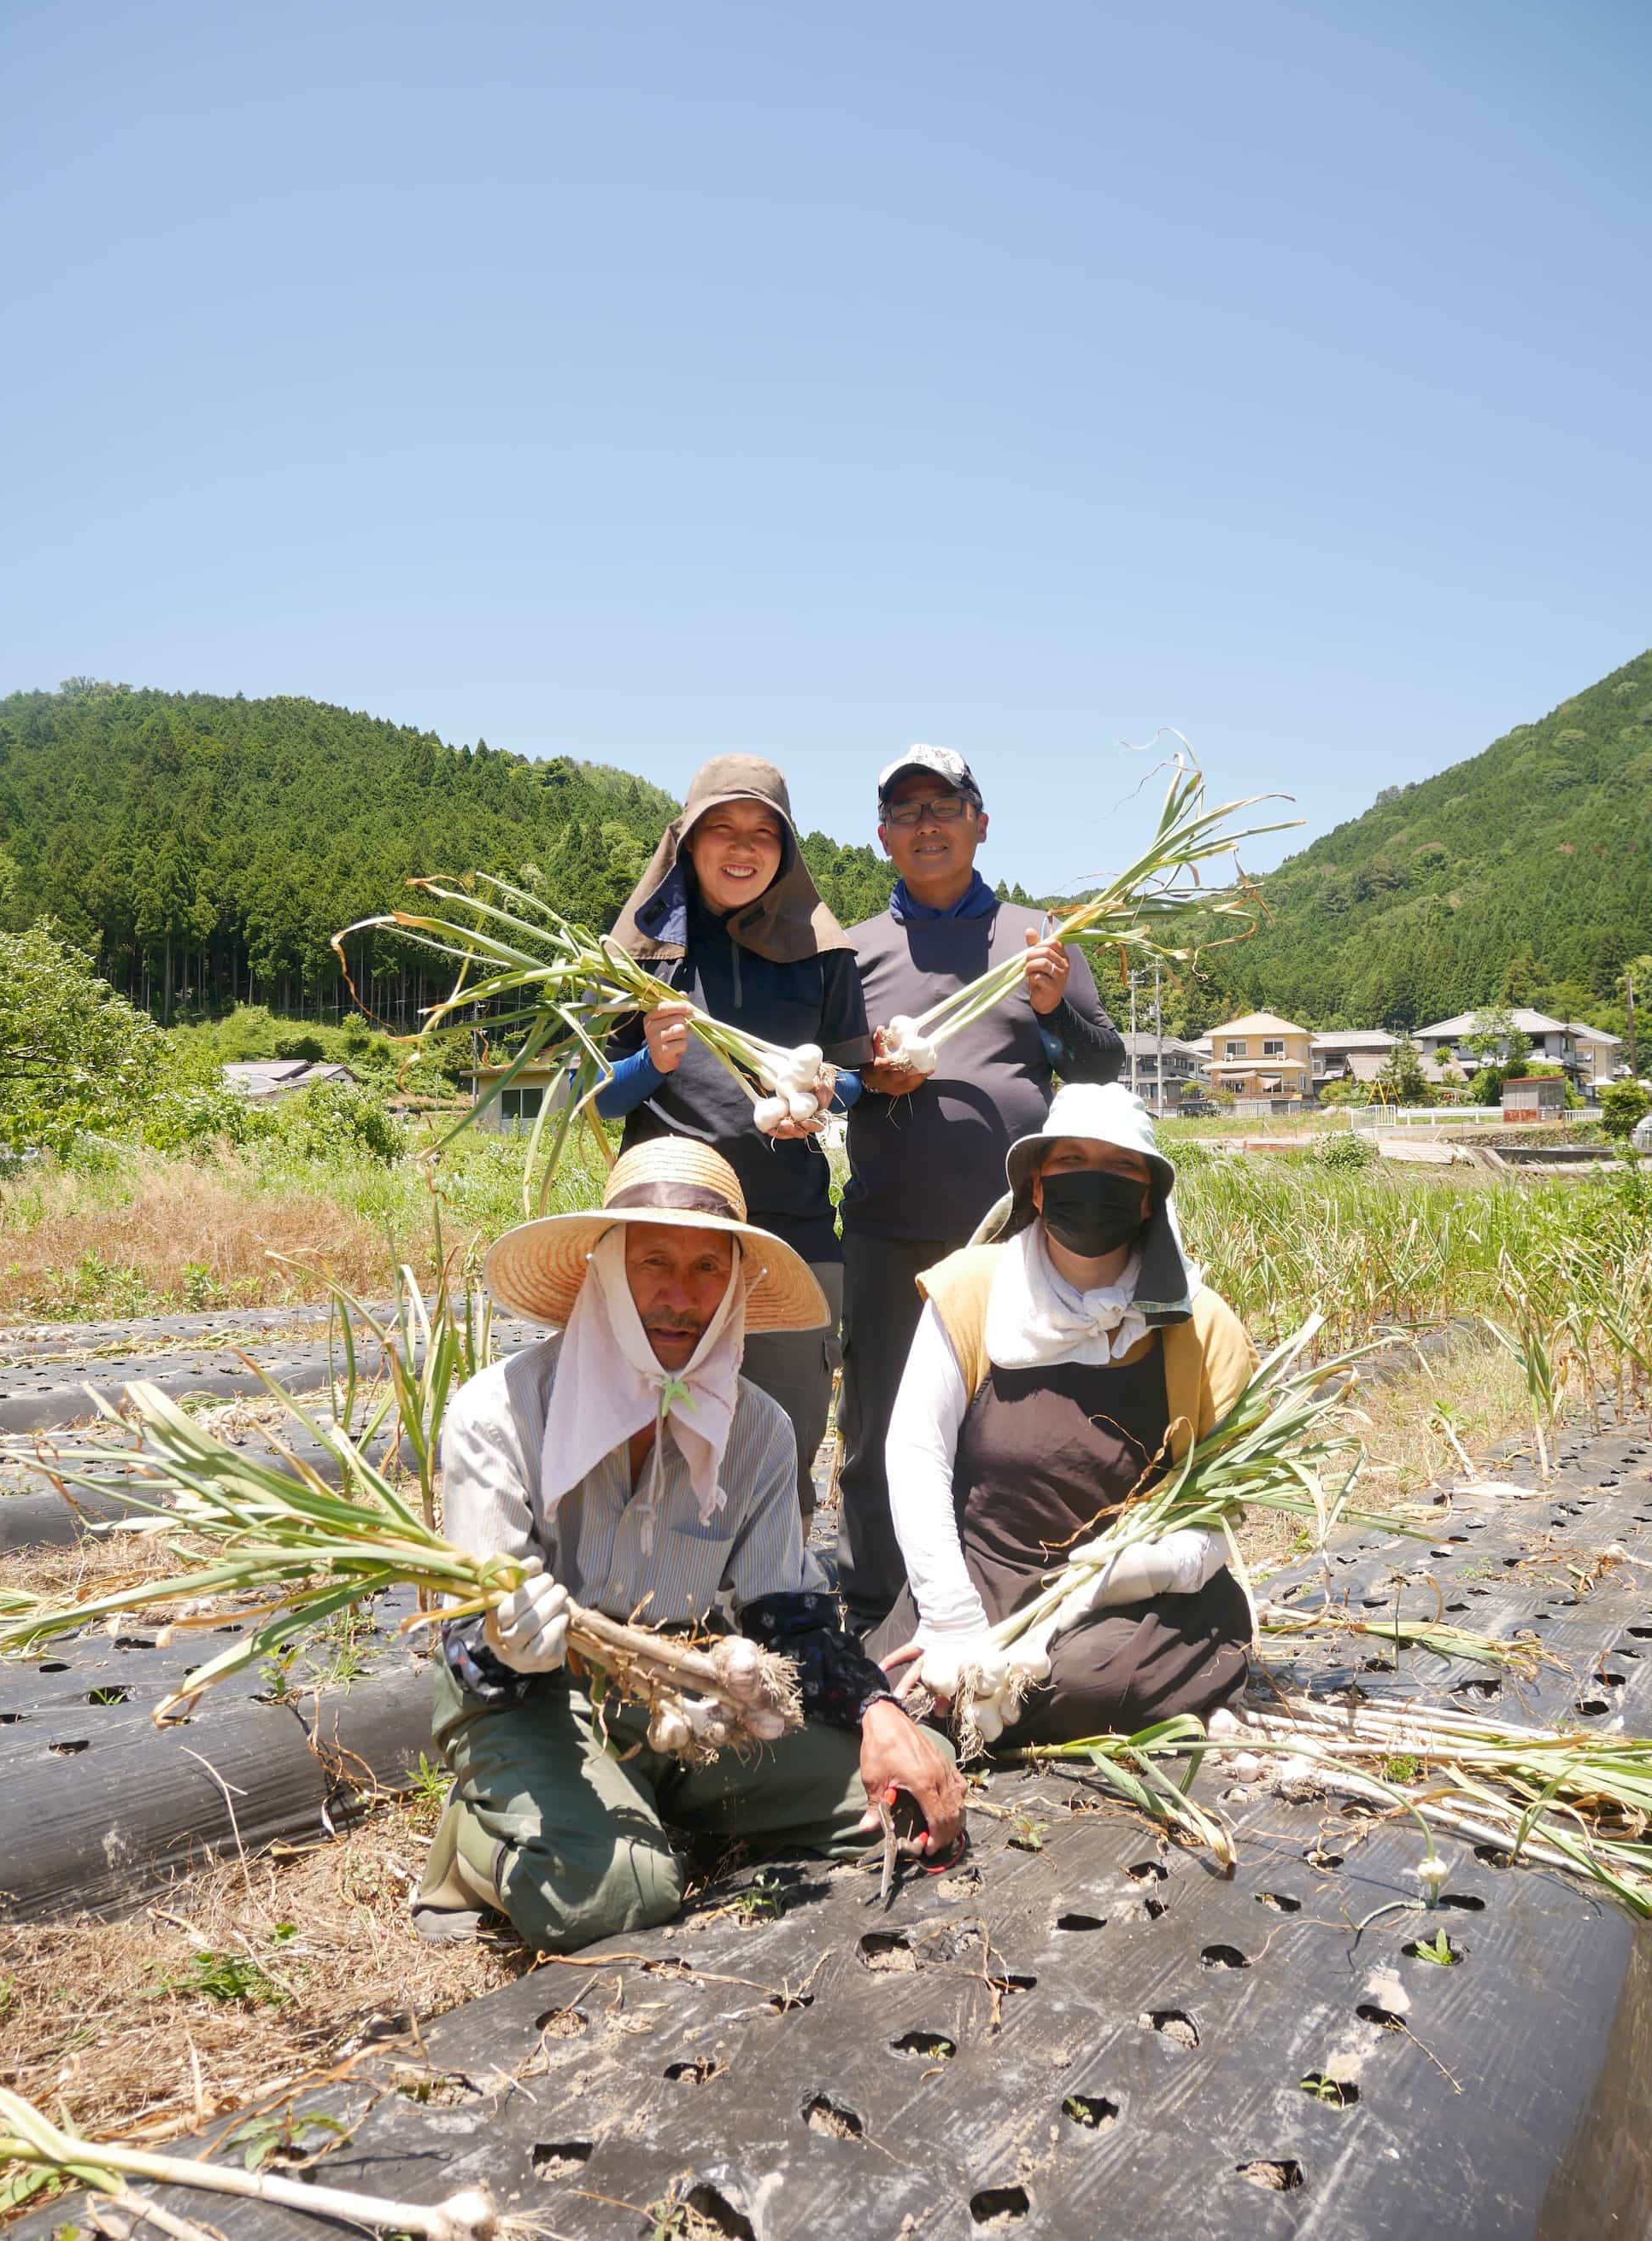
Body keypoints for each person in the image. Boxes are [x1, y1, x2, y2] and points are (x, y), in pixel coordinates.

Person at [413, 1136, 964, 1951]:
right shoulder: (498, 1413)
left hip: (689, 1692)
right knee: (619, 1897)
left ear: (736, 1284)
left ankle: (642, 1798)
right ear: (604, 1270)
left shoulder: (757, 1430)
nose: (682, 1296)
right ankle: (474, 1844)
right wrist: (509, 1639)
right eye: (654, 1262)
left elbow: (791, 1620)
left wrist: (879, 1710)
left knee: (919, 1772)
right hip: (536, 1700)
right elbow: (472, 1650)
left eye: (710, 1269)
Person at [869, 1082, 1257, 1746]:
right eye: (1071, 1163)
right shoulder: (973, 1288)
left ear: (1146, 1199)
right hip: (984, 1576)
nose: (1093, 1182)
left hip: (1133, 1601)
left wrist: (1147, 1568)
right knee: (886, 1684)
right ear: (1038, 1187)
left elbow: (1221, 1513)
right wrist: (954, 1618)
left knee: (1082, 1684)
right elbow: (915, 1453)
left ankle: (1162, 1676)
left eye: (1120, 1169)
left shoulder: (1203, 1324)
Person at [837, 745, 1124, 1628]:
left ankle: (1009, 1596)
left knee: (1010, 1423)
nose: (926, 824)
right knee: (881, 1423)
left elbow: (1103, 1067)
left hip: (1010, 1237)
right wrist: (866, 1082)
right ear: (883, 835)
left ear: (980, 823)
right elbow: (828, 1086)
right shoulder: (848, 955)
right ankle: (877, 1606)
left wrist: (1052, 1008)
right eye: (907, 811)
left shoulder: (1037, 939)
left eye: (944, 806)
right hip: (891, 1229)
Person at [591, 755, 872, 1519]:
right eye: (721, 828)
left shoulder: (825, 950)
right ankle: (657, 1611)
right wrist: (652, 1060)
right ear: (685, 842)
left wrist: (820, 1095)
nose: (742, 847)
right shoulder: (640, 954)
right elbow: (603, 1099)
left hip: (794, 1231)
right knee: (653, 1445)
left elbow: (851, 1077)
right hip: (666, 1231)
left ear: (787, 849)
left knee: (782, 1441)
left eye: (763, 832)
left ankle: (773, 1604)